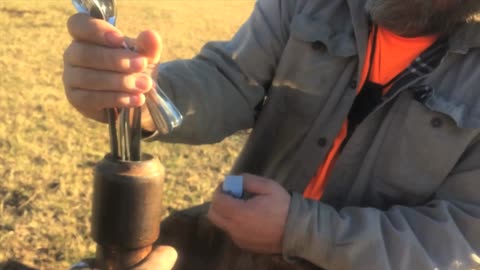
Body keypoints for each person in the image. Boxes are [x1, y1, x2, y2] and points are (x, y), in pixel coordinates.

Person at [63, 0, 480, 269]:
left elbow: (461, 239)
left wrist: (299, 230)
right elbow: (230, 76)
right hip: (232, 253)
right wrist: (142, 95)